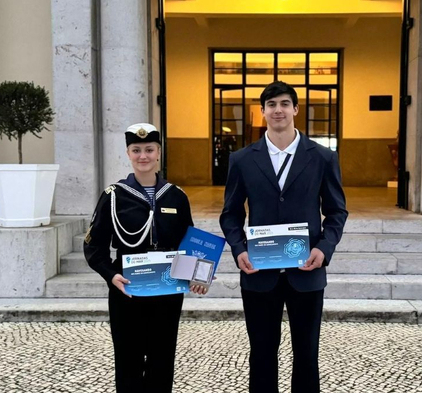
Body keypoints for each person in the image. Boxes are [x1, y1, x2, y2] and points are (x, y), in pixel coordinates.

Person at [220, 81, 348, 393]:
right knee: (262, 354)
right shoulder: (242, 159)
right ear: (263, 111)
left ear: (296, 109)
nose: (278, 110)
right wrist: (239, 249)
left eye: (284, 104)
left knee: (307, 354)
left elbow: (336, 211)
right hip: (258, 271)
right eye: (272, 104)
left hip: (306, 270)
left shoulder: (322, 157)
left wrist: (324, 248)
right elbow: (230, 213)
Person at [84, 123, 203, 393]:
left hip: (168, 289)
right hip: (127, 289)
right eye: (136, 150)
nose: (143, 156)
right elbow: (94, 245)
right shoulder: (113, 197)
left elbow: (189, 244)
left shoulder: (176, 196)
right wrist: (110, 275)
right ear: (128, 153)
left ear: (159, 152)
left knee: (162, 359)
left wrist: (198, 274)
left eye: (149, 149)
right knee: (128, 359)